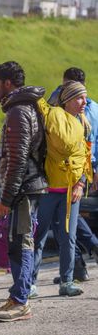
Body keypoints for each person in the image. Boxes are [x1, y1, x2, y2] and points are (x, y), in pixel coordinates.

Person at [0, 61, 46, 322]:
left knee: (21, 244)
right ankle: (17, 297)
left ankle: (20, 301)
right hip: (26, 188)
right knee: (18, 243)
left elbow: (17, 159)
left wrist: (6, 198)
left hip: (23, 190)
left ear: (8, 83)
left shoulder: (18, 111)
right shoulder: (23, 107)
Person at [30, 80, 93, 297]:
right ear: (66, 100)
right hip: (48, 189)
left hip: (71, 191)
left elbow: (85, 158)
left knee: (69, 238)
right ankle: (30, 284)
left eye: (84, 97)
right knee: (37, 237)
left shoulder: (84, 124)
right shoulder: (53, 116)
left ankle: (66, 282)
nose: (84, 102)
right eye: (79, 98)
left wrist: (80, 183)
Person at [48, 67, 98, 281]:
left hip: (67, 171)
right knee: (70, 220)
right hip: (86, 170)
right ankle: (78, 267)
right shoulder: (94, 107)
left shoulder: (65, 106)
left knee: (63, 223)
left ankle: (77, 266)